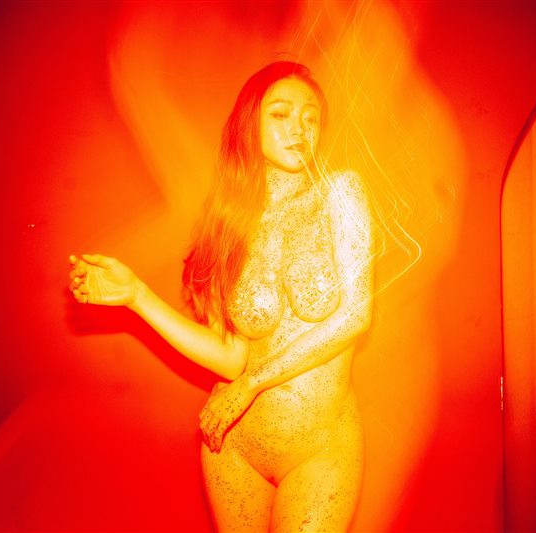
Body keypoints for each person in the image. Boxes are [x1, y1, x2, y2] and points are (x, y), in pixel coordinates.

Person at [68, 61, 373, 531]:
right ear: (250, 124)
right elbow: (231, 360)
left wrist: (252, 384)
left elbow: (354, 314)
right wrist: (137, 297)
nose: (299, 127)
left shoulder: (341, 194)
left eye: (310, 117)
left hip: (319, 446)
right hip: (234, 445)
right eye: (281, 114)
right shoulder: (229, 226)